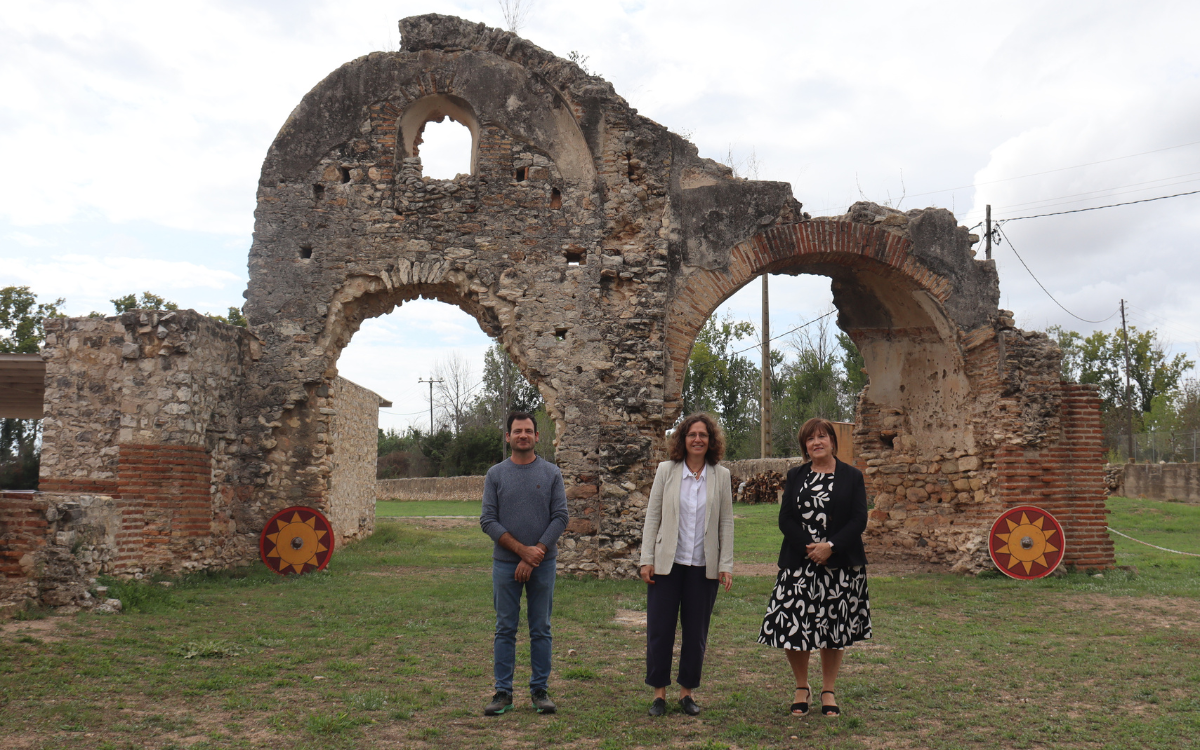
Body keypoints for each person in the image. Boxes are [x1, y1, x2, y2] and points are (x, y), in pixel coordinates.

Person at [758, 417, 871, 717]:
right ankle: (801, 686)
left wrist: (830, 547)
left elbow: (859, 519)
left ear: (833, 441)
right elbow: (785, 519)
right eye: (810, 439)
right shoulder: (795, 476)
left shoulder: (852, 476)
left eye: (822, 437)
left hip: (840, 565)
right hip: (800, 563)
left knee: (834, 627)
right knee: (794, 626)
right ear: (805, 446)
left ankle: (829, 689)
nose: (816, 442)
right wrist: (810, 548)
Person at [639, 412, 734, 717]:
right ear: (682, 439)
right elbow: (653, 516)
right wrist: (646, 560)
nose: (697, 440)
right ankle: (659, 695)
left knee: (696, 633)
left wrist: (726, 564)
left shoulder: (722, 476)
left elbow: (726, 523)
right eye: (692, 434)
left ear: (711, 441)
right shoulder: (667, 471)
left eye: (703, 435)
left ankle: (686, 693)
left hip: (703, 566)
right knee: (660, 630)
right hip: (667, 565)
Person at [479, 411, 569, 716]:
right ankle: (503, 692)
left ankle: (539, 690)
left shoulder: (551, 474)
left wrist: (536, 553)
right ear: (508, 437)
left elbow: (561, 517)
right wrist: (521, 552)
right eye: (517, 431)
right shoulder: (495, 475)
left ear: (536, 436)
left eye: (528, 431)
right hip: (505, 564)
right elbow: (488, 520)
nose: (523, 436)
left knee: (540, 628)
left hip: (543, 564)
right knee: (505, 628)